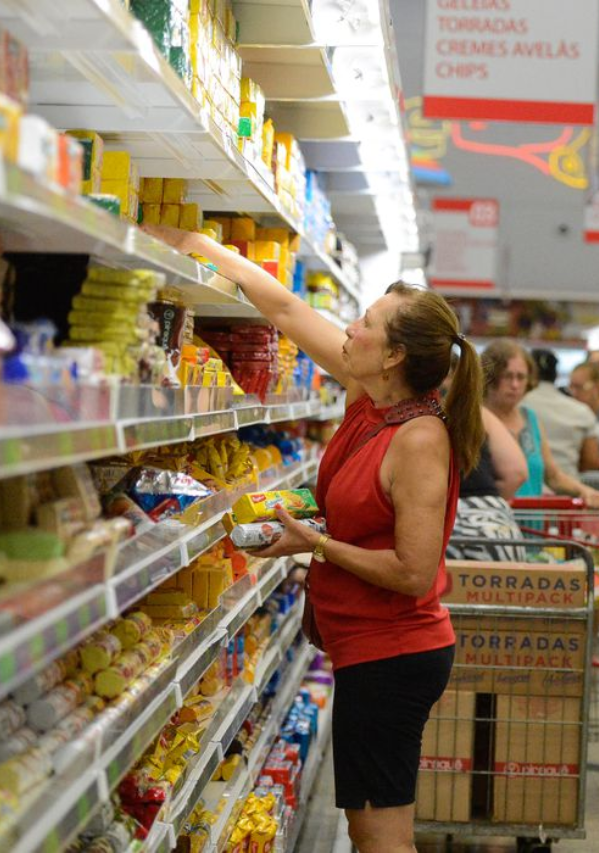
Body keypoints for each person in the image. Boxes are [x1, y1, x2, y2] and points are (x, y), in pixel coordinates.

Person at [142, 223, 485, 853]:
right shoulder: (369, 396)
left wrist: (317, 545)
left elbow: (413, 571)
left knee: (384, 840)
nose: (349, 327)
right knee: (364, 830)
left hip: (395, 655)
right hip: (364, 649)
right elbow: (285, 308)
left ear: (394, 355)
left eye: (366, 321)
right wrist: (200, 244)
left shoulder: (419, 439)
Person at [481, 340, 599, 508]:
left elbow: (553, 476)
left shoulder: (530, 419)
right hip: (490, 525)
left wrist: (585, 491)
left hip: (532, 523)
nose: (515, 385)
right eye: (507, 376)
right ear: (490, 377)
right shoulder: (475, 419)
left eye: (521, 377)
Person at [447, 405, 528, 561]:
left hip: (444, 528)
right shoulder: (476, 411)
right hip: (497, 532)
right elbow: (517, 473)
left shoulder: (411, 413)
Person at [524, 348, 599, 478]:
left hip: (526, 488)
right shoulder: (582, 411)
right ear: (556, 374)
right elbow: (592, 460)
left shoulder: (515, 407)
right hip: (568, 488)